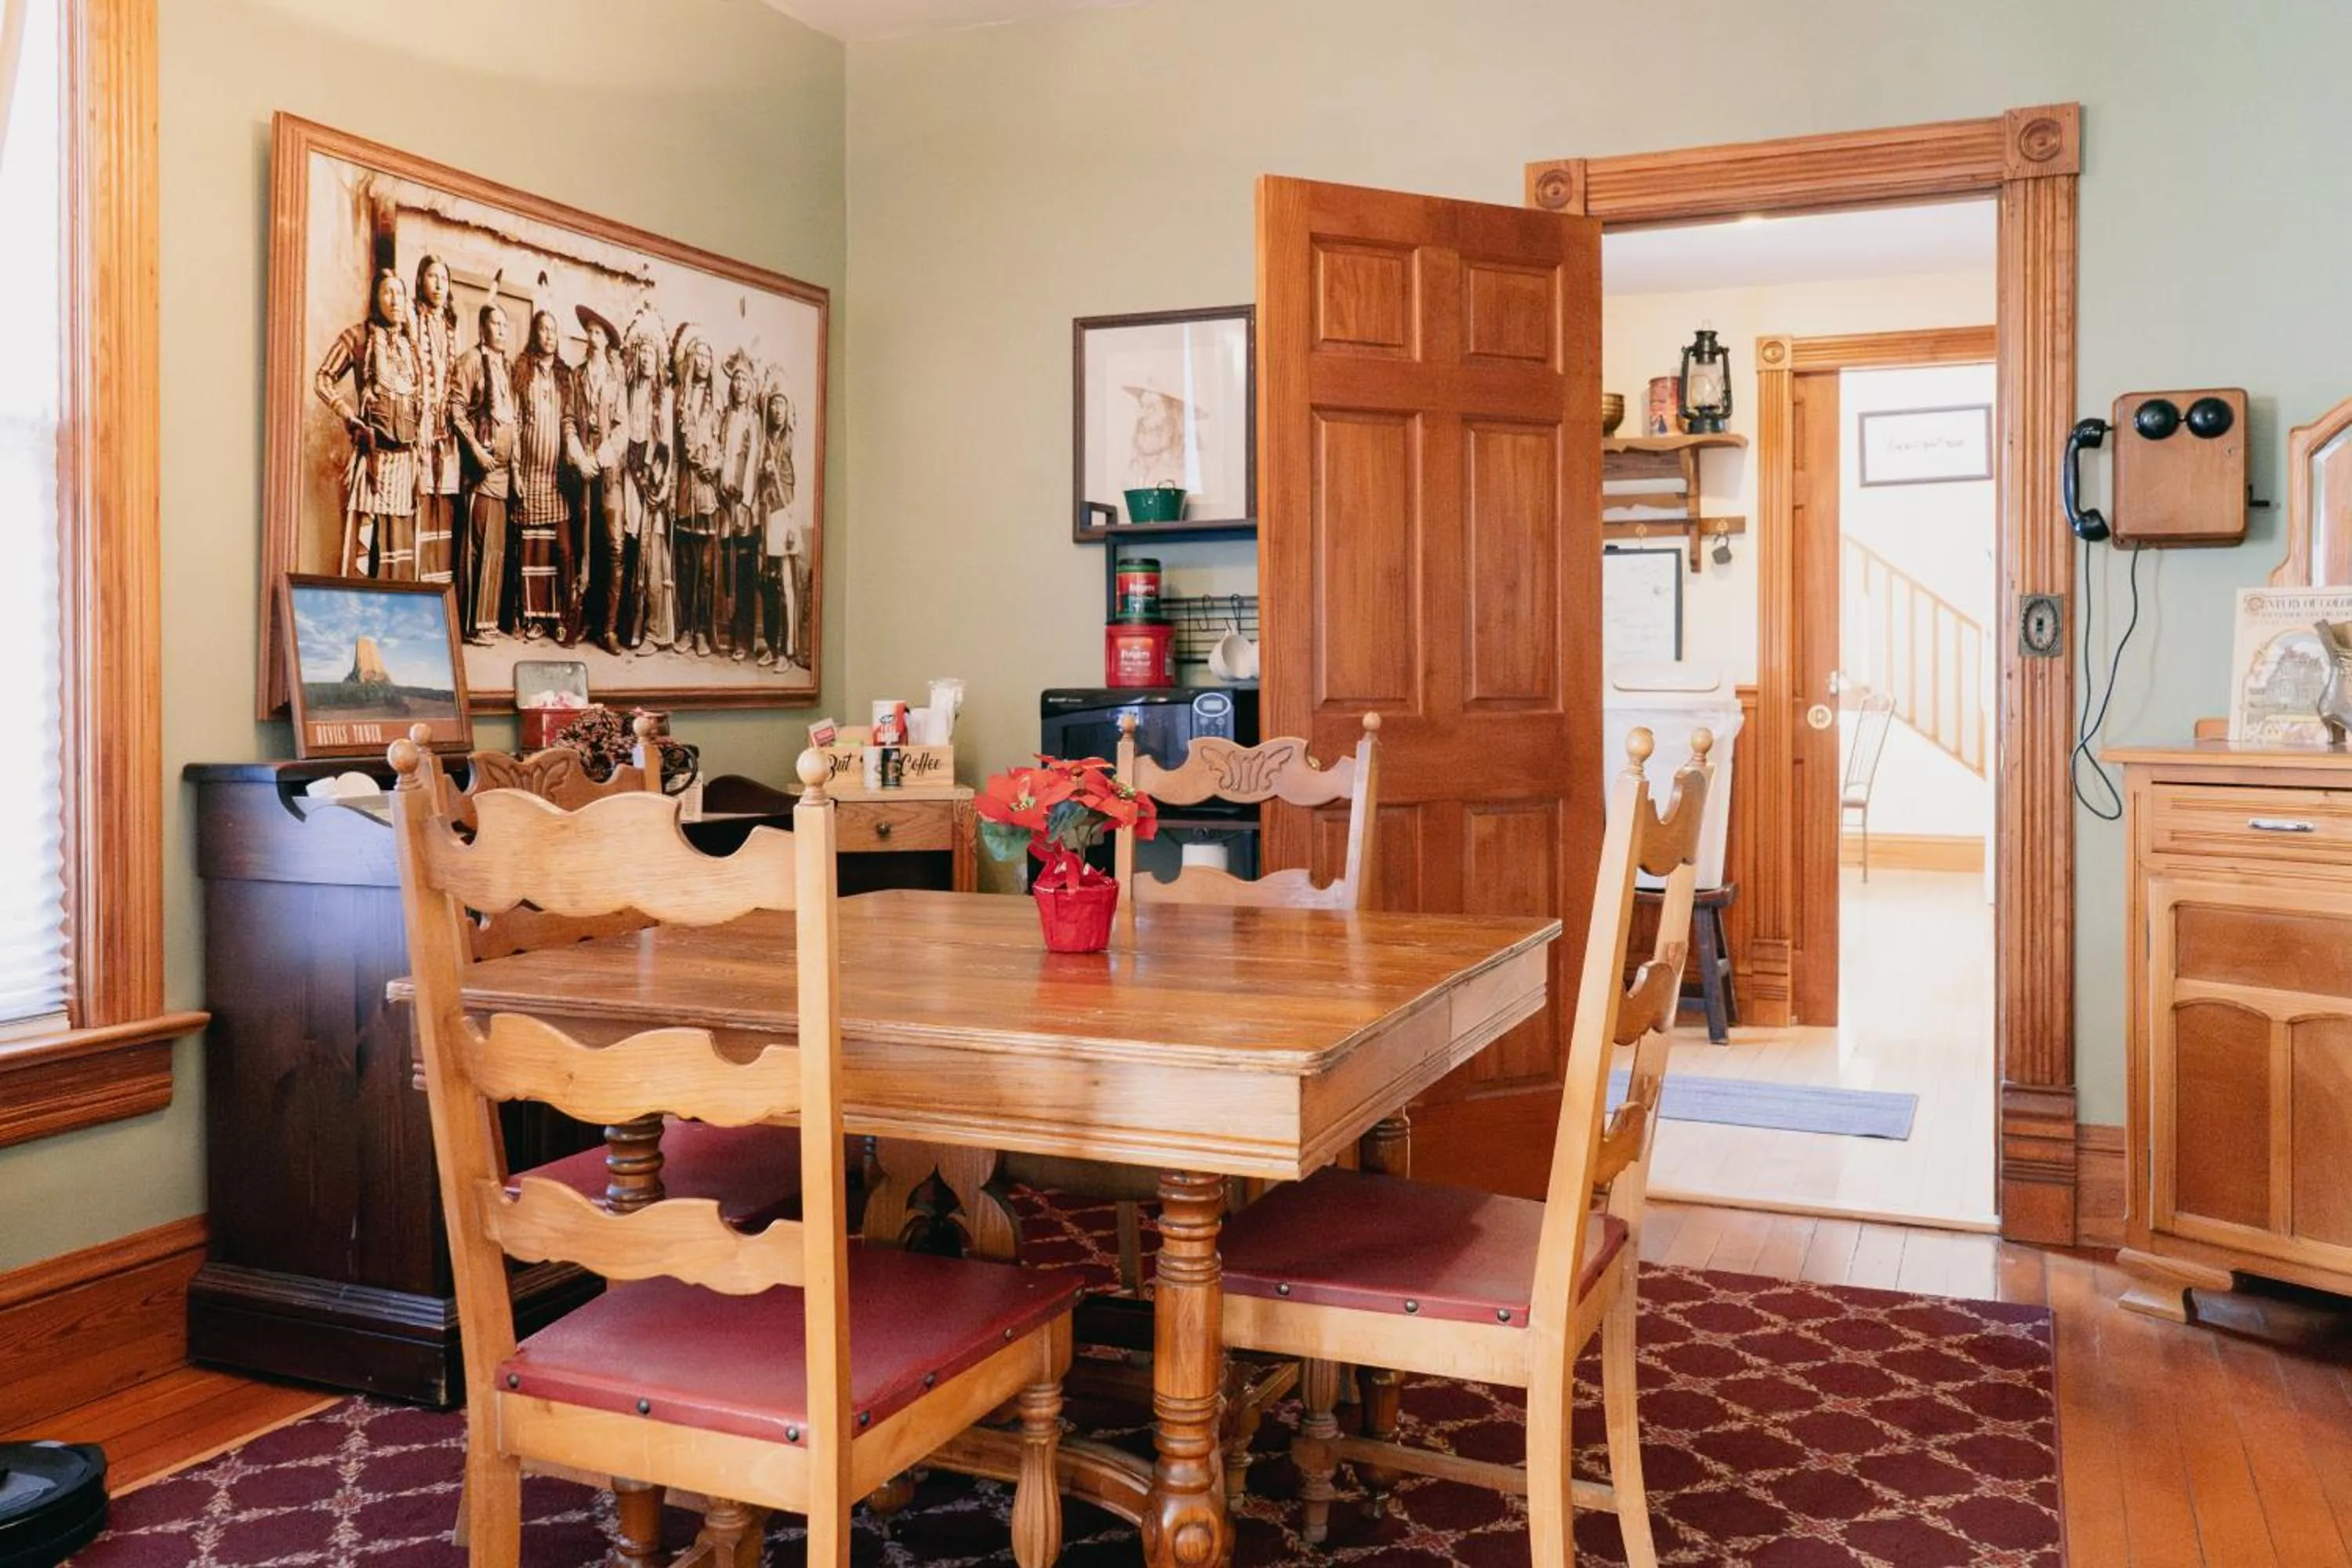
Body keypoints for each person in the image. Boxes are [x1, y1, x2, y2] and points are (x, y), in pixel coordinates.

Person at [313, 268, 423, 579]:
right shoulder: (358, 337)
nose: (395, 299)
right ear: (376, 298)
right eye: (387, 292)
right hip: (374, 459)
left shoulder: (411, 347)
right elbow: (323, 378)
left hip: (406, 463)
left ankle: (395, 616)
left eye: (400, 293)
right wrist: (348, 415)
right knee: (369, 543)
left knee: (398, 546)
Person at [448, 299, 517, 642]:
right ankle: (472, 625)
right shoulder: (472, 361)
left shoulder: (504, 367)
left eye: (506, 325)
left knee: (495, 548)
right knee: (476, 547)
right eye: (496, 324)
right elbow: (456, 410)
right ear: (482, 328)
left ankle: (487, 621)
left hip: (503, 474)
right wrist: (476, 449)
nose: (502, 330)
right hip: (482, 473)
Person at [509, 308, 574, 641]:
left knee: (562, 550)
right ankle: (535, 618)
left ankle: (560, 617)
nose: (548, 335)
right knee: (533, 550)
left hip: (556, 478)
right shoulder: (523, 370)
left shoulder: (566, 375)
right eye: (543, 329)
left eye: (553, 330)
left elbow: (569, 422)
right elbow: (517, 422)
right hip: (530, 476)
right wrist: (516, 472)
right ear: (535, 334)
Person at [567, 304, 628, 653]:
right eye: (588, 332)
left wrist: (600, 458)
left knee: (614, 548)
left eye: (598, 333)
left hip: (609, 477)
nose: (591, 338)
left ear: (606, 342)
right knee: (582, 545)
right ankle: (582, 619)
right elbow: (569, 421)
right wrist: (578, 457)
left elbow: (622, 429)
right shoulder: (576, 377)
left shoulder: (616, 382)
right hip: (583, 474)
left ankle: (609, 628)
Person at [619, 306, 673, 653]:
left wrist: (662, 481)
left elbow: (667, 444)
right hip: (628, 472)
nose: (647, 359)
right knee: (629, 546)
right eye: (643, 353)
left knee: (652, 552)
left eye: (653, 353)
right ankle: (628, 623)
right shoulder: (628, 390)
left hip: (653, 473)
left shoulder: (664, 397)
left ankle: (653, 627)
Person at [410, 254, 462, 591]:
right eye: (432, 276)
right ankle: (418, 584)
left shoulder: (450, 326)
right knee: (421, 498)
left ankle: (440, 588)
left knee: (444, 502)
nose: (438, 284)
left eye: (443, 277)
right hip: (420, 426)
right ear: (421, 281)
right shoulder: (412, 321)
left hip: (447, 432)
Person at [670, 324, 720, 656]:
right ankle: (685, 630)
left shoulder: (719, 401)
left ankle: (702, 631)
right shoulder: (680, 397)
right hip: (687, 485)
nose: (702, 360)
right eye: (698, 353)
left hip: (709, 488)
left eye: (707, 354)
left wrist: (714, 464)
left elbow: (727, 441)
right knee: (686, 567)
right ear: (690, 359)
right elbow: (675, 447)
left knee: (705, 569)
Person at [715, 347, 764, 661]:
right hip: (726, 499)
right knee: (727, 568)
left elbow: (755, 459)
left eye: (744, 381)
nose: (740, 387)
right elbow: (722, 454)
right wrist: (724, 487)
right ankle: (729, 633)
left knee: (745, 571)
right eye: (736, 381)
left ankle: (745, 636)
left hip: (744, 504)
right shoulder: (727, 418)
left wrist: (745, 500)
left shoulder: (754, 421)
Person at [753, 372, 798, 670]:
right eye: (774, 403)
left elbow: (800, 481)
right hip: (765, 514)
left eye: (782, 403)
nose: (777, 409)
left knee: (783, 583)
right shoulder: (763, 439)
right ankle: (770, 645)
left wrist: (795, 522)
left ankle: (785, 650)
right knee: (766, 582)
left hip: (786, 513)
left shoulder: (793, 440)